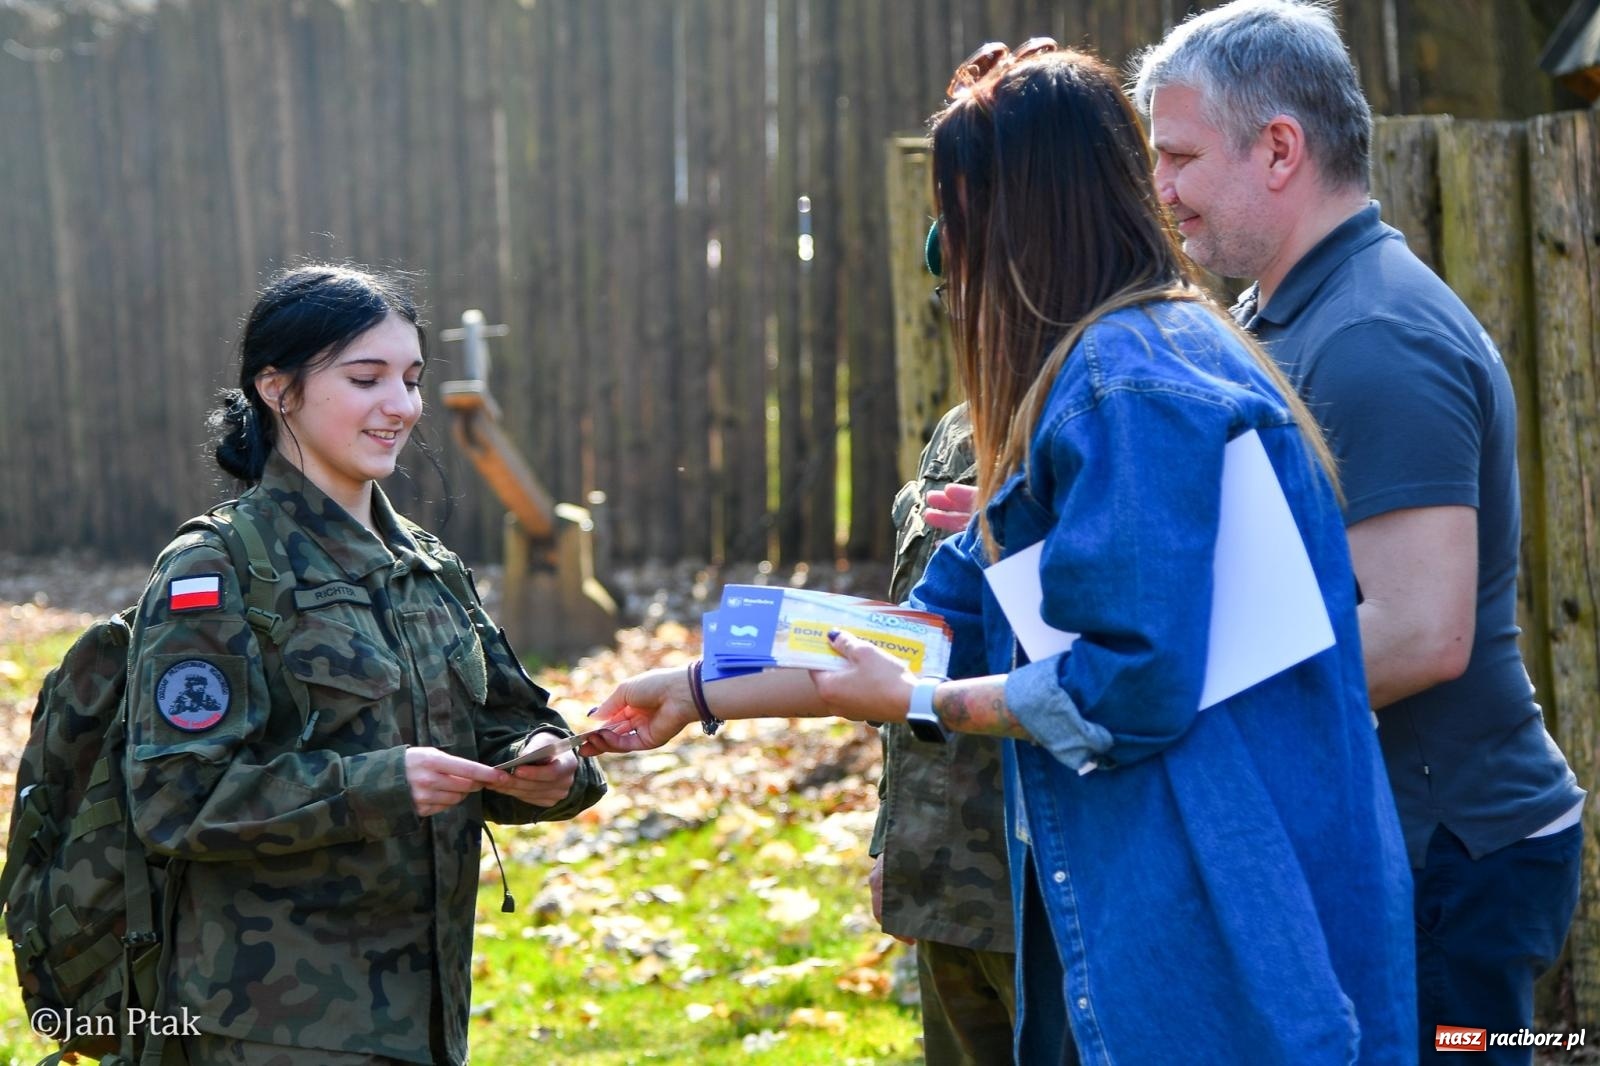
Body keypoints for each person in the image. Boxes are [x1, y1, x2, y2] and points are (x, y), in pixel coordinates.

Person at [584, 42, 1414, 1063]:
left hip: (1228, 928)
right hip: (1128, 907)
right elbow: (931, 629)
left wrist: (924, 703)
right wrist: (697, 687)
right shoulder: (1077, 387)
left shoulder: (1133, 387)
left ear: (1027, 220)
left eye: (963, 224)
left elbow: (1129, 684)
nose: (952, 266)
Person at [1130, 3, 1585, 1058]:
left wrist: (1172, 690)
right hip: (1396, 835)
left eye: (1181, 157)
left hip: (1452, 858)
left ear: (1278, 148)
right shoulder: (1286, 311)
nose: (1161, 187)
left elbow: (1421, 634)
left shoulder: (1373, 334)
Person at [124, 264, 607, 1066]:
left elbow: (510, 723)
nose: (403, 406)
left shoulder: (428, 562)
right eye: (366, 378)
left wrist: (550, 768)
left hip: (429, 1019)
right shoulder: (217, 570)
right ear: (277, 390)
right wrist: (377, 786)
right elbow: (175, 799)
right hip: (274, 1030)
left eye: (411, 380)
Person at [872, 402, 1015, 1065]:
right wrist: (896, 843)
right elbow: (915, 649)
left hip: (1060, 885)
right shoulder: (960, 428)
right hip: (952, 880)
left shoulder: (1110, 410)